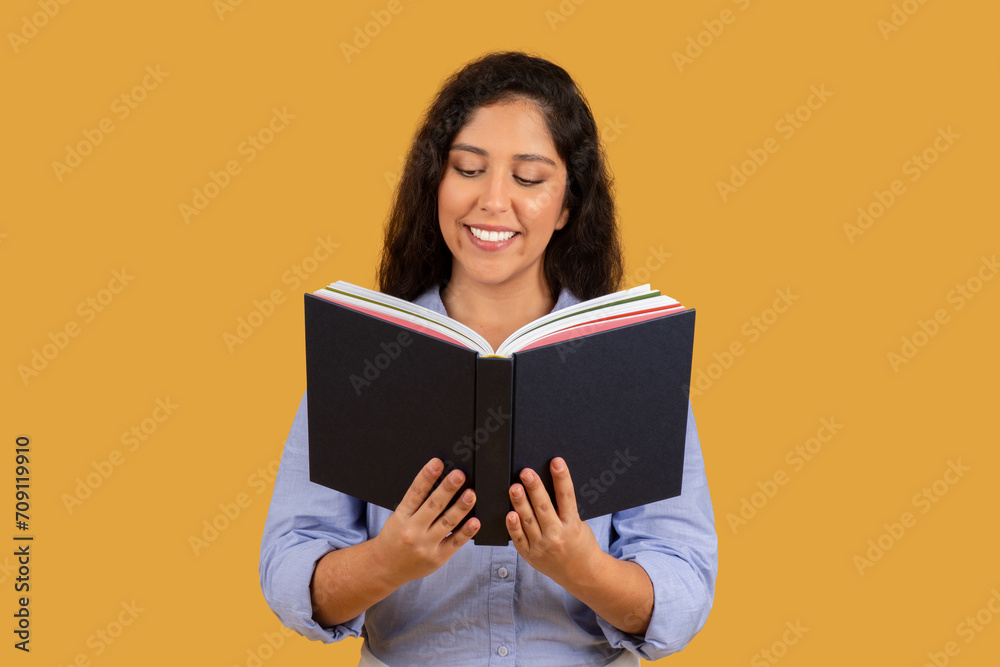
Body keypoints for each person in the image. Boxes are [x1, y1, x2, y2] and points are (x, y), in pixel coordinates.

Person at [259, 50, 717, 666]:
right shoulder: (364, 352)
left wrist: (581, 567)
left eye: (528, 179)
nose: (493, 201)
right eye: (469, 169)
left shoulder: (630, 359)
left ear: (566, 207)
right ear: (436, 183)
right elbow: (290, 566)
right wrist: (386, 562)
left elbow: (683, 587)